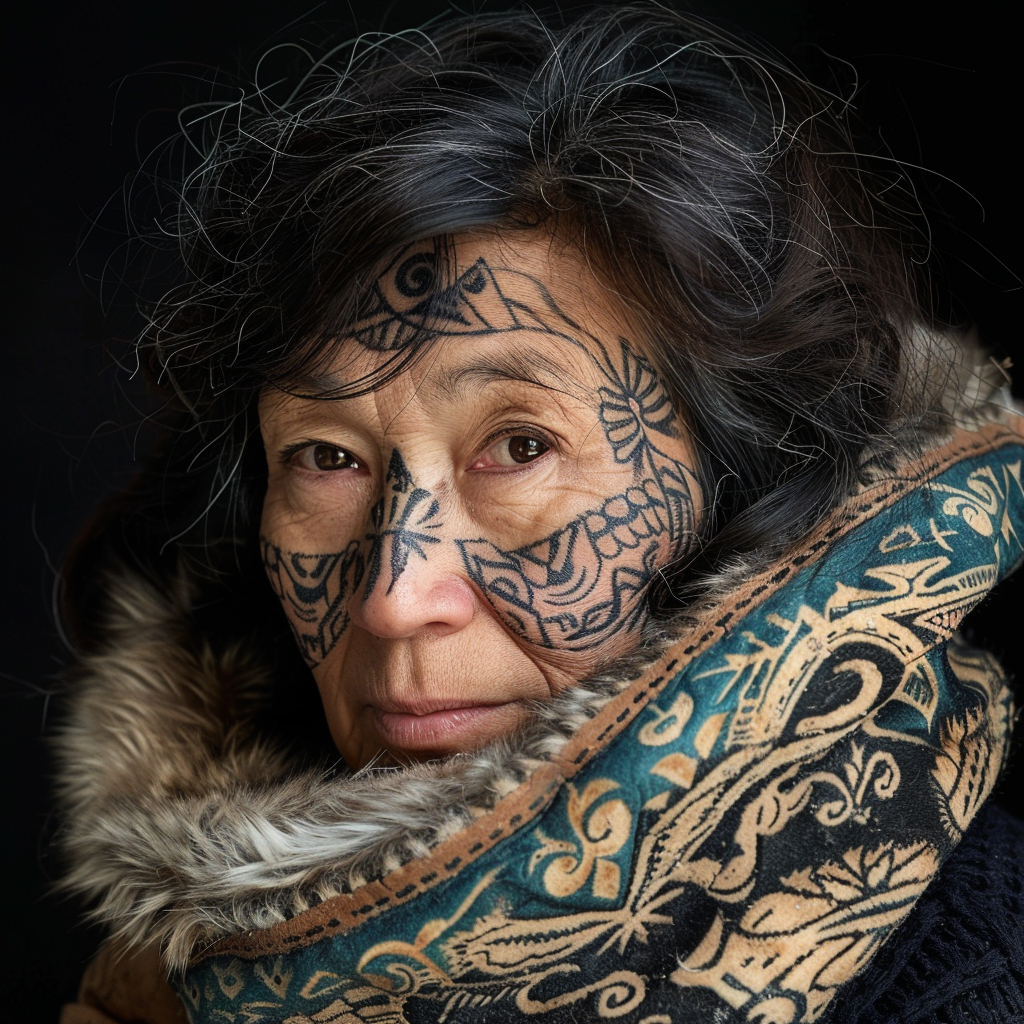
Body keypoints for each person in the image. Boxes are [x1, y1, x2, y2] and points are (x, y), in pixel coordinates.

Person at [55, 5, 1024, 1022]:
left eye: (520, 446)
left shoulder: (975, 980)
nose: (394, 599)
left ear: (748, 494)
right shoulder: (163, 982)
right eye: (327, 457)